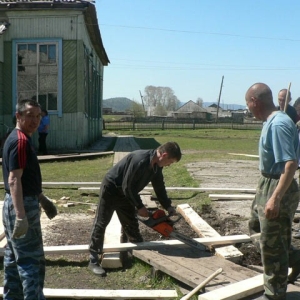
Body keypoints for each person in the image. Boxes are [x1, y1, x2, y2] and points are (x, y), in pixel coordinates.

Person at [89, 141, 182, 277]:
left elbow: (159, 187)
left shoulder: (157, 166)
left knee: (130, 222)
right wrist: (139, 206)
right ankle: (93, 259)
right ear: (164, 155)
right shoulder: (140, 160)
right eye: (170, 162)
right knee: (101, 222)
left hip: (127, 193)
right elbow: (127, 186)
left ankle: (138, 249)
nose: (169, 165)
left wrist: (168, 205)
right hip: (111, 190)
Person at [245, 83, 300, 300]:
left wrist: (275, 198)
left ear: (254, 102)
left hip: (279, 186)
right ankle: (295, 258)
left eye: (248, 103)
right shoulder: (270, 121)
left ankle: (274, 294)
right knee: (256, 229)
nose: (248, 108)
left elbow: (290, 164)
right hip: (266, 182)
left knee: (272, 246)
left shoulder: (278, 124)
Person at [2, 99, 57, 300]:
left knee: (12, 257)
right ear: (18, 116)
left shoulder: (17, 137)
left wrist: (41, 198)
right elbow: (14, 179)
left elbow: (25, 177)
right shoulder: (21, 141)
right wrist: (21, 216)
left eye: (38, 116)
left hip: (17, 202)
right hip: (21, 205)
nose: (35, 120)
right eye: (30, 116)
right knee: (31, 261)